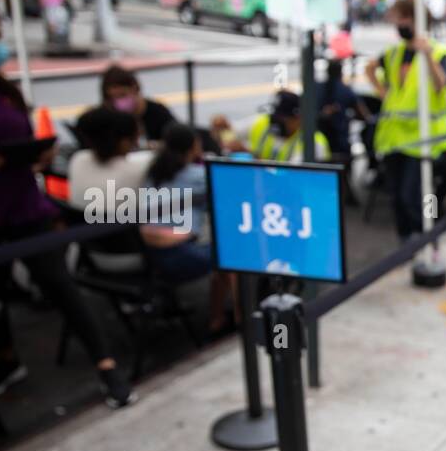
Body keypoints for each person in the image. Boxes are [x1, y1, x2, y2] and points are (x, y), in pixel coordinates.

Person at [0, 2, 134, 406]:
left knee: (60, 283)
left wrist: (37, 154)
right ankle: (5, 360)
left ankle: (106, 364)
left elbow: (20, 133)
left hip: (24, 204)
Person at [369, 0, 446, 240]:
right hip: (394, 136)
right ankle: (406, 242)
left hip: (422, 138)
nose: (400, 23)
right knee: (395, 194)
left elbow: (441, 85)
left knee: (413, 195)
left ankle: (425, 239)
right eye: (399, 18)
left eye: (405, 17)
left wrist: (426, 55)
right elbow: (370, 68)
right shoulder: (394, 52)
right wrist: (383, 92)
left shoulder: (438, 52)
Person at [142, 123, 233, 335]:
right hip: (178, 254)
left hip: (149, 256)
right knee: (230, 257)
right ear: (194, 147)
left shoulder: (154, 172)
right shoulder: (197, 175)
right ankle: (220, 320)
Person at [242, 90, 330, 162]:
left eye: (282, 119)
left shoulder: (314, 143)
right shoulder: (262, 123)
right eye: (273, 117)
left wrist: (252, 156)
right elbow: (233, 134)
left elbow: (290, 177)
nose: (275, 123)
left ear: (298, 119)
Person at [101, 65, 178, 143]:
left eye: (122, 95)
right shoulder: (104, 119)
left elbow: (179, 139)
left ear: (134, 88)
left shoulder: (159, 113)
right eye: (112, 98)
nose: (118, 101)